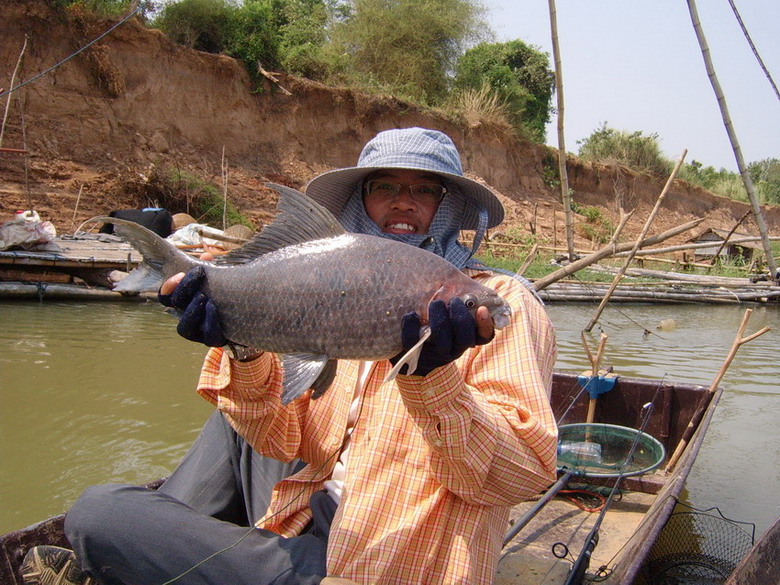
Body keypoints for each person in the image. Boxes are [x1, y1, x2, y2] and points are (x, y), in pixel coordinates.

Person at [22, 127, 558, 585]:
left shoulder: (503, 305)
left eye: (425, 190)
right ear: (360, 200)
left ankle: (141, 553)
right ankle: (157, 549)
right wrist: (242, 346)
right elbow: (277, 435)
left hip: (369, 561)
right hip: (307, 507)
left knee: (99, 513)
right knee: (234, 401)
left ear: (449, 208)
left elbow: (521, 478)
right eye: (385, 187)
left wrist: (436, 378)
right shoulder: (331, 279)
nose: (403, 201)